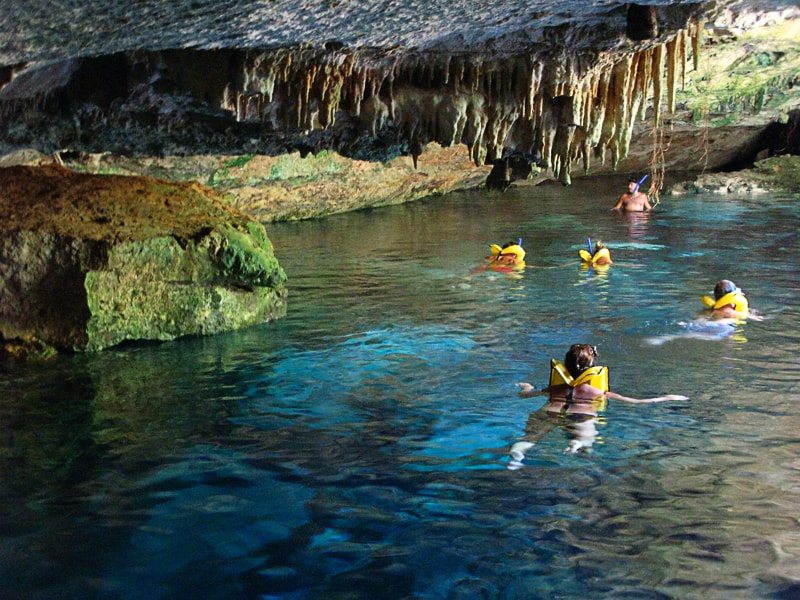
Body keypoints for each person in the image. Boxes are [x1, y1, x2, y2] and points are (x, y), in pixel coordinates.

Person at [508, 344, 687, 464]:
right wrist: (667, 397)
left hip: (549, 411)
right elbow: (635, 402)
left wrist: (527, 387)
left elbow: (524, 396)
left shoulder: (554, 388)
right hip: (581, 416)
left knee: (529, 438)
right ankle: (576, 444)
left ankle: (517, 455)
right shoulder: (595, 391)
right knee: (586, 439)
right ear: (592, 366)